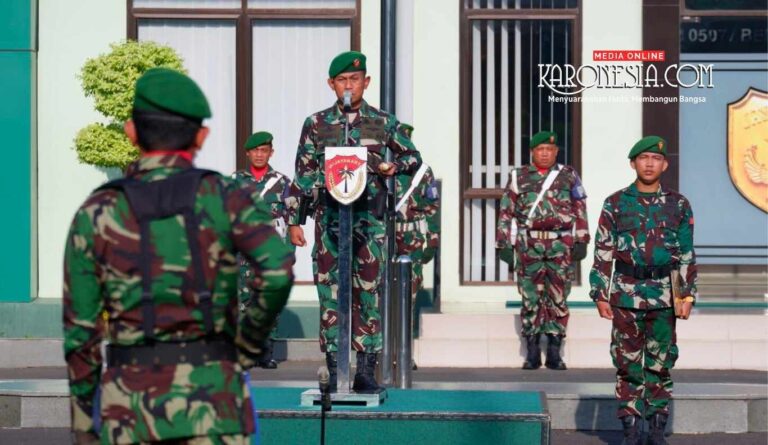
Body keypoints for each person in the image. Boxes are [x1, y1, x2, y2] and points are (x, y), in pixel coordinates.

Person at [63, 68, 294, 444]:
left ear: (131, 132)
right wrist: (247, 347)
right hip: (215, 401)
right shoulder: (227, 197)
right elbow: (278, 270)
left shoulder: (98, 211)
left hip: (129, 409)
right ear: (201, 137)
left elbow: (80, 331)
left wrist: (84, 424)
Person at [286, 51, 421, 392]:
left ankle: (365, 370)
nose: (349, 86)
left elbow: (413, 157)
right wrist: (295, 221)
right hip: (330, 222)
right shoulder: (317, 124)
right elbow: (302, 173)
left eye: (355, 80)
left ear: (366, 82)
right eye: (342, 80)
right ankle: (334, 368)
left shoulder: (382, 122)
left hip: (368, 222)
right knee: (330, 293)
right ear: (331, 84)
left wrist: (391, 167)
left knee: (368, 294)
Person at [589, 135, 697, 445]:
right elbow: (603, 252)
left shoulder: (679, 204)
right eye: (643, 158)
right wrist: (599, 294)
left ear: (665, 165)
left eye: (656, 159)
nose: (649, 164)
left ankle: (657, 430)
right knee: (627, 364)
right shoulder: (615, 203)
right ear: (633, 163)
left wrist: (686, 295)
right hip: (626, 295)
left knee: (661, 363)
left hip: (664, 296)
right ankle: (631, 431)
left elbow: (686, 253)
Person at [496, 131, 589, 371]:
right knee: (530, 297)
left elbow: (580, 207)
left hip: (560, 244)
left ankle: (555, 351)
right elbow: (506, 212)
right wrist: (503, 244)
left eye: (549, 149)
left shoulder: (568, 175)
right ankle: (533, 351)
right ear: (532, 152)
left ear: (556, 152)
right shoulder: (518, 176)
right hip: (529, 244)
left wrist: (582, 239)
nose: (545, 153)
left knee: (558, 296)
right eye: (540, 149)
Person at [231, 131, 294, 369]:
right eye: (255, 150)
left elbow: (291, 219)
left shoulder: (282, 182)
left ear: (271, 153)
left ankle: (266, 352)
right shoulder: (235, 181)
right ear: (248, 153)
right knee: (242, 301)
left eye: (264, 150)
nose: (259, 154)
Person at [393, 124, 440, 370]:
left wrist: (432, 241)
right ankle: (378, 354)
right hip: (384, 241)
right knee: (378, 299)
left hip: (412, 241)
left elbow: (432, 208)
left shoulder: (423, 172)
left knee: (407, 299)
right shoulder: (382, 170)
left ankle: (404, 353)